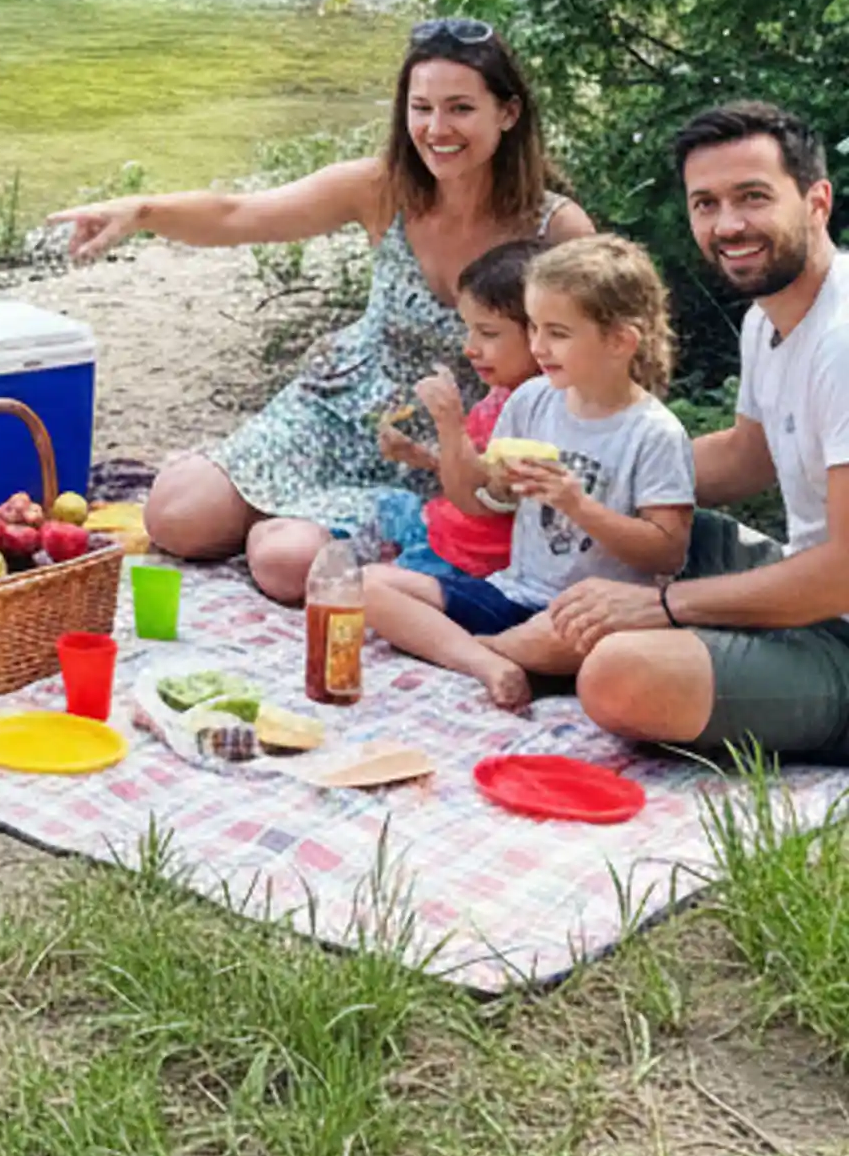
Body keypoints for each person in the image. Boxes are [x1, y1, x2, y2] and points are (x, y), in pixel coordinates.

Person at [50, 18, 593, 603]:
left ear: (507, 113)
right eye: (421, 108)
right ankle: (284, 519)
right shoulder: (384, 188)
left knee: (287, 564)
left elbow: (594, 366)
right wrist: (142, 210)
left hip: (452, 449)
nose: (437, 129)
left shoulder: (554, 229)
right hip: (341, 405)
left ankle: (291, 530)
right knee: (175, 514)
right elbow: (239, 213)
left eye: (460, 108)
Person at [551, 103, 849, 762]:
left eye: (753, 197)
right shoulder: (768, 322)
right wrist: (588, 474)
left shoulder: (843, 337)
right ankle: (498, 641)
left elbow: (842, 576)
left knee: (616, 676)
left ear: (816, 201)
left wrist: (663, 606)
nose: (729, 225)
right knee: (657, 533)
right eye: (706, 203)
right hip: (810, 594)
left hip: (838, 619)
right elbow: (749, 455)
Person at [361, 234, 695, 708]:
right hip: (512, 592)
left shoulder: (653, 433)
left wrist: (577, 505)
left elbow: (667, 553)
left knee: (571, 639)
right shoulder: (532, 401)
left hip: (585, 617)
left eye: (557, 333)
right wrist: (494, 476)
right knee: (372, 584)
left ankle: (473, 652)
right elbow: (486, 501)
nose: (538, 346)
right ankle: (492, 661)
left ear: (620, 341)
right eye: (534, 328)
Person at [374, 236, 542, 582]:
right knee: (387, 505)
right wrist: (424, 456)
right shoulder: (501, 393)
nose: (470, 348)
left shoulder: (537, 410)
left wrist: (449, 424)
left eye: (488, 333)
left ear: (541, 334)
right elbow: (477, 462)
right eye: (469, 331)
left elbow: (482, 496)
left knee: (373, 589)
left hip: (473, 558)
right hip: (449, 530)